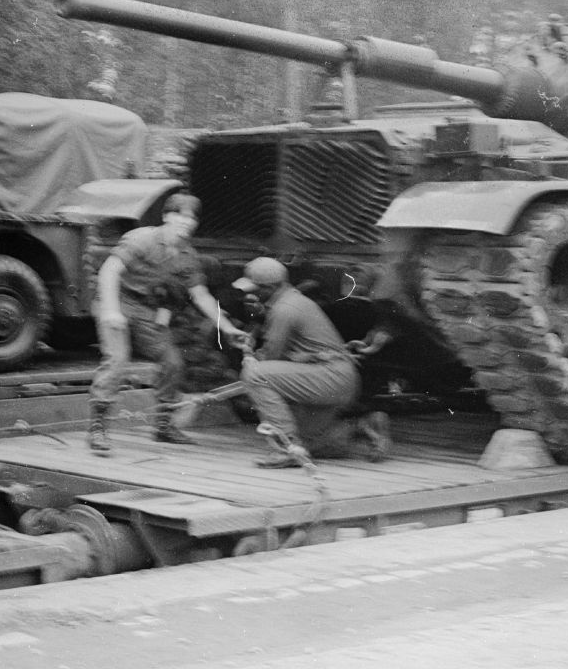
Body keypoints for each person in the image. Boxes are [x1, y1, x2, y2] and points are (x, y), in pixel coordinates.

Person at [86, 193, 244, 454]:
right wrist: (112, 311)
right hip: (115, 299)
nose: (186, 222)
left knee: (172, 361)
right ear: (166, 216)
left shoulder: (186, 255)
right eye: (180, 215)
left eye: (192, 218)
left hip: (146, 308)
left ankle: (163, 425)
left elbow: (201, 295)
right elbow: (109, 271)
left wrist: (227, 328)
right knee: (117, 359)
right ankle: (98, 428)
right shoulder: (143, 239)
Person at [232, 257, 391, 469]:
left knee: (255, 375)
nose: (250, 294)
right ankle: (362, 426)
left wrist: (249, 356)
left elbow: (270, 358)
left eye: (255, 289)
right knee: (311, 443)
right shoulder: (294, 301)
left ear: (271, 287)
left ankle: (287, 449)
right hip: (335, 377)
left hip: (329, 377)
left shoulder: (285, 308)